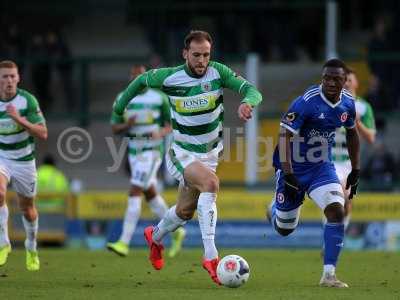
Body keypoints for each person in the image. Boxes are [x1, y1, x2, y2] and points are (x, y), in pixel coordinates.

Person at [112, 30, 262, 285]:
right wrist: (119, 108)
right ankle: (211, 256)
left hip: (210, 155)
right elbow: (140, 82)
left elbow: (251, 89)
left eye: (206, 55)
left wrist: (248, 102)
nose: (202, 60)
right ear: (185, 54)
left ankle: (155, 237)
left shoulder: (218, 72)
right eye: (196, 55)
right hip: (181, 153)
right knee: (211, 184)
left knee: (184, 211)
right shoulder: (170, 77)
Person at [267, 59, 360, 288]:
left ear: (343, 81)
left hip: (321, 167)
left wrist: (356, 169)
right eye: (326, 77)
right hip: (294, 168)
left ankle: (329, 275)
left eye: (335, 79)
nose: (329, 82)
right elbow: (284, 135)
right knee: (285, 229)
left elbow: (352, 134)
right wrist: (288, 174)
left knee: (337, 211)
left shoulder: (348, 103)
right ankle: (273, 210)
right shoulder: (306, 102)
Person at [107, 65, 185, 258]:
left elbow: (173, 125)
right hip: (134, 152)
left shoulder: (159, 98)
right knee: (150, 193)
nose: (138, 81)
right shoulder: (122, 98)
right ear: (130, 78)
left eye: (141, 77)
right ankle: (177, 231)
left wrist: (160, 132)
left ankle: (124, 242)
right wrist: (128, 125)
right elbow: (114, 128)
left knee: (135, 190)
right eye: (134, 77)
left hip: (152, 151)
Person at [0, 60, 48, 271]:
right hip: (2, 158)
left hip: (25, 162)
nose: (9, 80)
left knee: (28, 209)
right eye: (4, 76)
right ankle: (3, 243)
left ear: (18, 78)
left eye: (12, 76)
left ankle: (31, 247)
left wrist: (19, 119)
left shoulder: (27, 101)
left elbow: (43, 133)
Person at [332, 69, 376, 229]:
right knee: (336, 196)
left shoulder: (364, 107)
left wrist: (357, 123)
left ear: (356, 83)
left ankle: (339, 232)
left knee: (347, 200)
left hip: (350, 163)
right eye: (344, 81)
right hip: (331, 159)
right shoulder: (332, 104)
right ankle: (330, 238)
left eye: (350, 80)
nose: (347, 83)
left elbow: (371, 138)